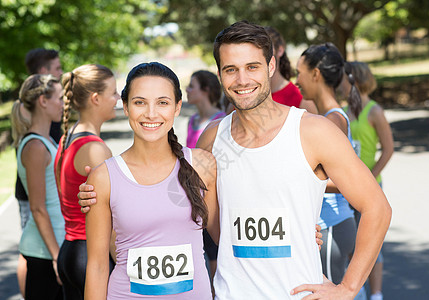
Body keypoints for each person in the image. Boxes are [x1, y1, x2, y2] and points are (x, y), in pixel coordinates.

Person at [80, 21, 391, 299]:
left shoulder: (313, 131)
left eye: (252, 67)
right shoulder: (212, 140)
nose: (242, 79)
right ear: (220, 75)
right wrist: (100, 192)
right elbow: (209, 219)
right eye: (231, 69)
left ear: (271, 66)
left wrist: (348, 288)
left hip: (299, 293)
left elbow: (376, 207)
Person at [84, 62, 220, 299]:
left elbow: (226, 240)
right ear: (125, 107)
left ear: (177, 107)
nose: (151, 113)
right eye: (139, 102)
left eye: (162, 102)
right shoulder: (103, 177)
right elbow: (96, 267)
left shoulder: (202, 165)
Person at [295, 42, 365, 289]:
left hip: (331, 225)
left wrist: (297, 181)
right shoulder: (329, 117)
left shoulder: (333, 120)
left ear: (315, 74)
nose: (296, 80)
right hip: (331, 226)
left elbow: (346, 183)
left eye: (299, 73)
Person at [54, 64, 119, 299]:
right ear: (96, 98)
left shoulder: (66, 138)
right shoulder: (95, 150)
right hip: (91, 256)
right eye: (113, 92)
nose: (117, 98)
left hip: (69, 253)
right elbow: (111, 218)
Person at [14, 48, 64, 298]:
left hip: (54, 246)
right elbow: (37, 207)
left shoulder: (46, 141)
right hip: (44, 253)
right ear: (43, 101)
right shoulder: (34, 145)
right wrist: (57, 256)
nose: (63, 104)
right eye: (60, 98)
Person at [343, 61, 394, 300]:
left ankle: (376, 294)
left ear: (355, 79)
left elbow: (388, 149)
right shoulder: (343, 111)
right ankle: (358, 289)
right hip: (346, 186)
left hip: (369, 186)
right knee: (353, 242)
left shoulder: (374, 111)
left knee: (372, 242)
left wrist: (369, 178)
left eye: (344, 78)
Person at [185, 70, 225, 289]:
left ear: (206, 91)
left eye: (192, 86)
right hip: (193, 198)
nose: (187, 91)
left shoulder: (221, 120)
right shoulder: (191, 121)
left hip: (213, 198)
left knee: (215, 254)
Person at [264, 26, 317, 113]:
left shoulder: (301, 98)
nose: (262, 54)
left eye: (266, 48)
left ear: (280, 50)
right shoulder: (245, 97)